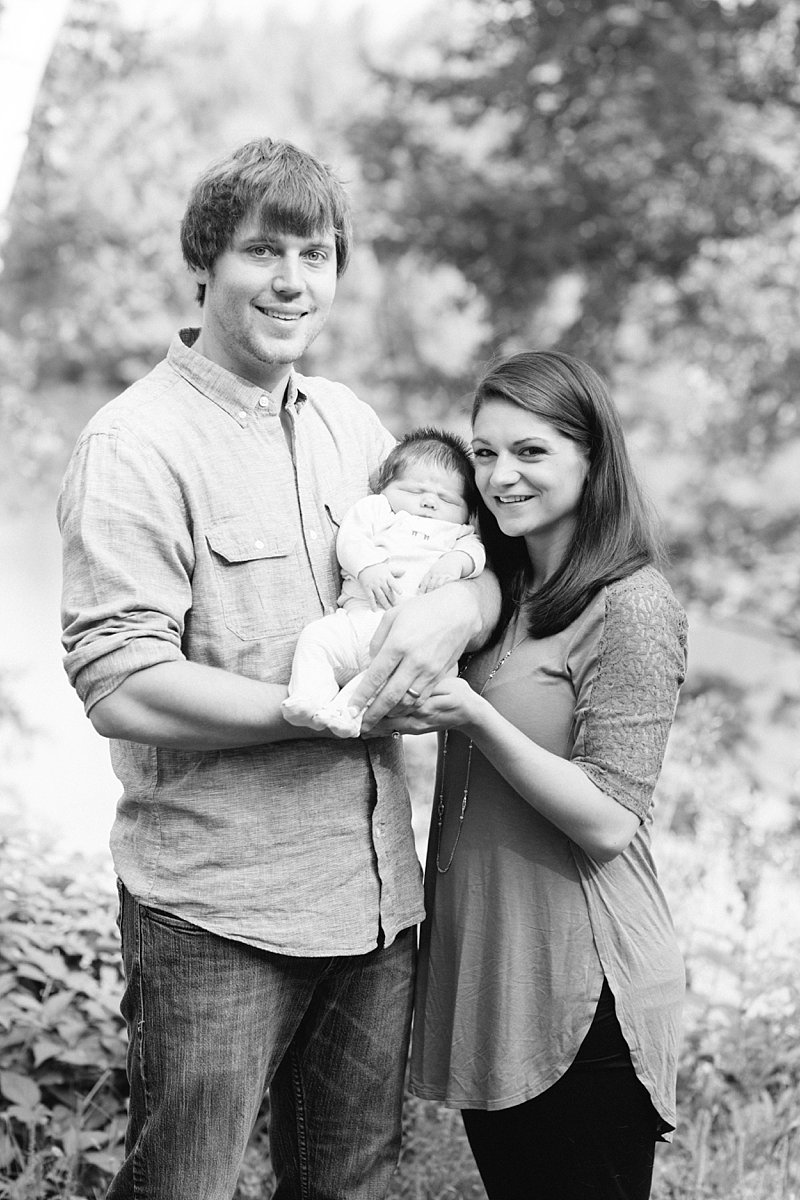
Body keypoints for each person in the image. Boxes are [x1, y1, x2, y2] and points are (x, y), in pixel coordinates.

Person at [57, 137, 498, 1200]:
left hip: (372, 904)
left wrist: (457, 607)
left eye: (316, 252)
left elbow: (467, 565)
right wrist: (308, 714)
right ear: (203, 264)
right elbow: (118, 681)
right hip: (216, 912)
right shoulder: (135, 446)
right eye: (265, 251)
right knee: (184, 1188)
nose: (293, 280)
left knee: (347, 1188)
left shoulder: (355, 427)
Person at [394, 351, 687, 1200]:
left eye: (530, 452)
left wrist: (475, 717)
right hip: (496, 968)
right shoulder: (505, 588)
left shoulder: (634, 605)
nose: (499, 476)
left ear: (591, 458)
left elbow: (608, 820)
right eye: (483, 453)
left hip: (582, 983)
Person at [282, 427, 485, 737]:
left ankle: (346, 712)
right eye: (414, 491)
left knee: (401, 677)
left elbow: (476, 555)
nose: (429, 502)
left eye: (447, 499)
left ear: (467, 513)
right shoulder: (377, 510)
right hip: (355, 621)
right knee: (316, 638)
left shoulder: (457, 535)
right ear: (384, 486)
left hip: (408, 638)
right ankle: (309, 697)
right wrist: (368, 567)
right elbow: (351, 538)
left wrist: (454, 562)